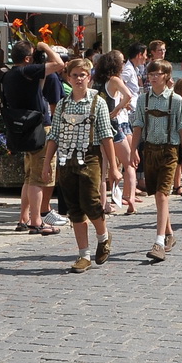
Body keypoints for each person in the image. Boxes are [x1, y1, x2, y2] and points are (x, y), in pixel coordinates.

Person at [46, 58, 119, 273]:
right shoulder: (63, 104)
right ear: (68, 78)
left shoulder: (99, 102)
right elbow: (55, 135)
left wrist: (114, 167)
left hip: (89, 157)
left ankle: (103, 236)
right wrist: (47, 162)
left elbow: (106, 136)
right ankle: (83, 254)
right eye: (75, 75)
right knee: (74, 209)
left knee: (91, 202)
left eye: (83, 75)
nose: (79, 79)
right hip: (66, 159)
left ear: (90, 77)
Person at [4, 40, 65, 236]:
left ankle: (24, 218)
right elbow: (59, 65)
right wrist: (46, 47)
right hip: (39, 128)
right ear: (28, 59)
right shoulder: (27, 72)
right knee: (38, 178)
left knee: (30, 177)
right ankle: (37, 221)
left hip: (24, 129)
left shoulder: (9, 75)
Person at [130, 60, 182, 261]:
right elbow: (137, 126)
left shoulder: (176, 100)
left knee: (162, 194)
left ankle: (159, 242)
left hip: (169, 151)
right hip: (150, 150)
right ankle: (170, 233)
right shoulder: (142, 100)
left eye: (157, 73)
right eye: (151, 73)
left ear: (166, 76)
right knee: (156, 195)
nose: (153, 77)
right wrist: (133, 150)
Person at [91, 51, 137, 214]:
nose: (124, 64)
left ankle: (104, 203)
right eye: (122, 62)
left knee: (103, 168)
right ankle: (129, 197)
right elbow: (129, 95)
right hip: (113, 126)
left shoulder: (95, 82)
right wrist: (118, 109)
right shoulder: (115, 80)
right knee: (129, 162)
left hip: (98, 126)